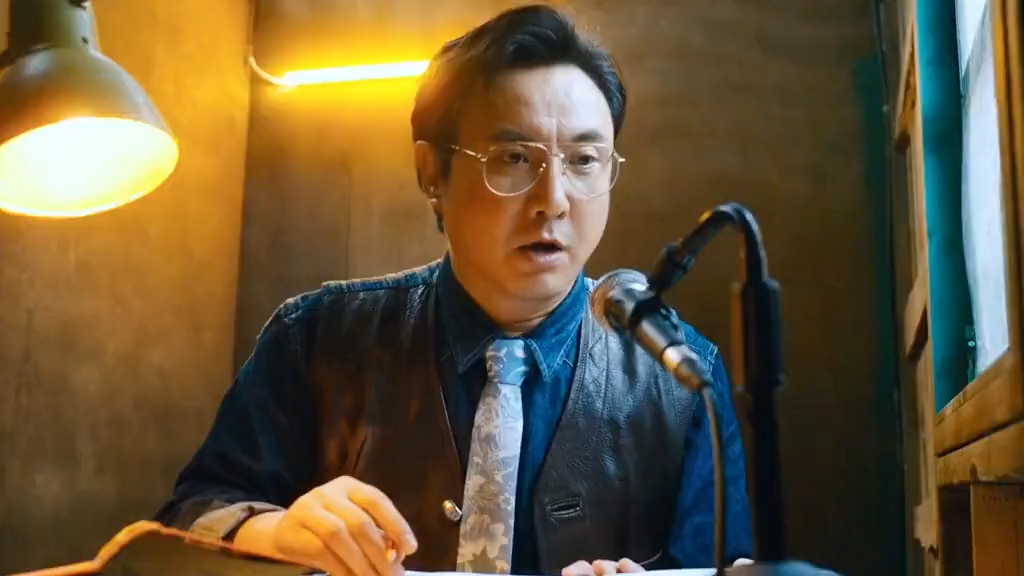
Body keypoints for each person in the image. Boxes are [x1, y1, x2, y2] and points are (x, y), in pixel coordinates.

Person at [155, 4, 753, 575]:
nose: (553, 201)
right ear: (431, 173)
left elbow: (726, 565)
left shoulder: (682, 376)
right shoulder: (315, 338)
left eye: (584, 159)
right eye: (514, 158)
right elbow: (188, 519)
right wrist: (276, 533)